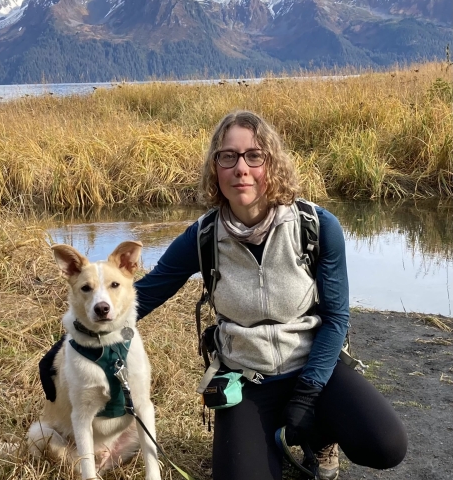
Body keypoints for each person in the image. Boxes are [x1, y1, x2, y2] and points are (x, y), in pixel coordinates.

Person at [134, 110, 408, 480]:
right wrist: (76, 337)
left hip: (315, 369)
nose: (240, 168)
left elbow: (337, 319)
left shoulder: (316, 226)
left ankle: (320, 437)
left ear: (272, 163)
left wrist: (308, 392)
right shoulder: (202, 238)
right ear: (215, 168)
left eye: (254, 156)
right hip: (246, 379)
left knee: (387, 445)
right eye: (227, 156)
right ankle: (270, 438)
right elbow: (141, 297)